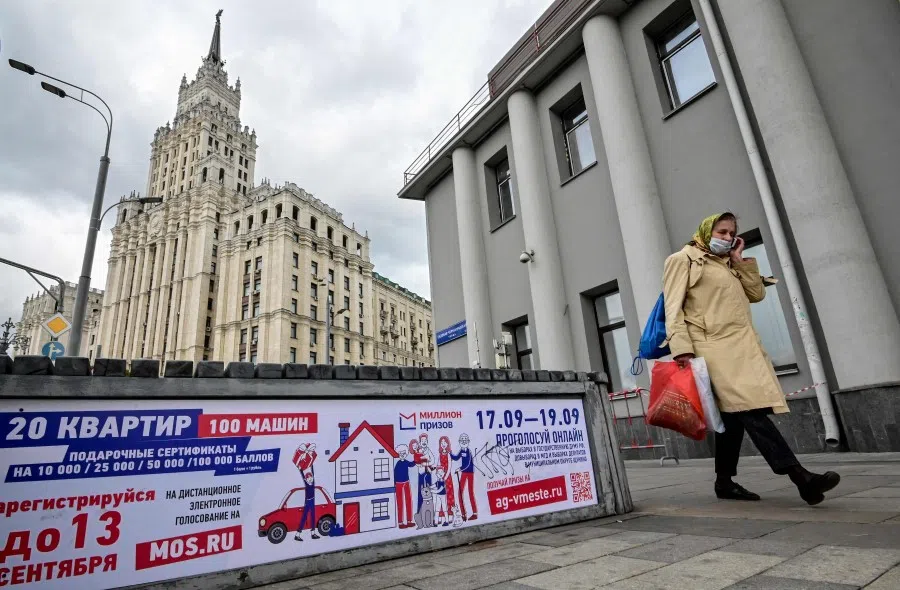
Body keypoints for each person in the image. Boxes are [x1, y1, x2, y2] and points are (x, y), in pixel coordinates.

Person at [662, 212, 840, 505]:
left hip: (740, 348)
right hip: (710, 348)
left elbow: (756, 295)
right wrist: (682, 348)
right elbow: (673, 307)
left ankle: (724, 482)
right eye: (721, 231)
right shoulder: (683, 259)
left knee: (733, 418)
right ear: (706, 231)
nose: (727, 237)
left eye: (731, 233)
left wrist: (739, 261)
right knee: (750, 410)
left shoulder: (727, 264)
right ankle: (801, 477)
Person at [451, 433, 477, 520]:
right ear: (460, 442)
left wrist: (460, 469)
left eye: (465, 440)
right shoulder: (461, 451)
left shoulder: (468, 452)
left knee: (470, 492)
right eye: (462, 440)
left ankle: (475, 513)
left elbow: (468, 464)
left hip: (470, 473)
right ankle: (463, 514)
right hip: (464, 473)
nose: (464, 441)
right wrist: (450, 453)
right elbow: (456, 458)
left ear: (468, 442)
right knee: (460, 493)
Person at [393, 444, 418, 529]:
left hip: (406, 482)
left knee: (408, 501)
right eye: (400, 453)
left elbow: (411, 464)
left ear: (406, 453)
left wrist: (416, 459)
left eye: (404, 453)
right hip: (399, 484)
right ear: (398, 454)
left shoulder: (406, 462)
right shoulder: (398, 464)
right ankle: (400, 522)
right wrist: (394, 483)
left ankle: (409, 521)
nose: (402, 455)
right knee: (400, 502)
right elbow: (394, 474)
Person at [294, 470, 319, 541]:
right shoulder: (307, 484)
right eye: (308, 478)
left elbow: (313, 473)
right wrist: (301, 470)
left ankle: (313, 533)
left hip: (312, 501)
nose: (310, 479)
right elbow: (303, 477)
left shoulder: (313, 483)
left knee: (313, 517)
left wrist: (312, 465)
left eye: (311, 477)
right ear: (306, 479)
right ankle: (297, 534)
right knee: (304, 518)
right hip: (308, 502)